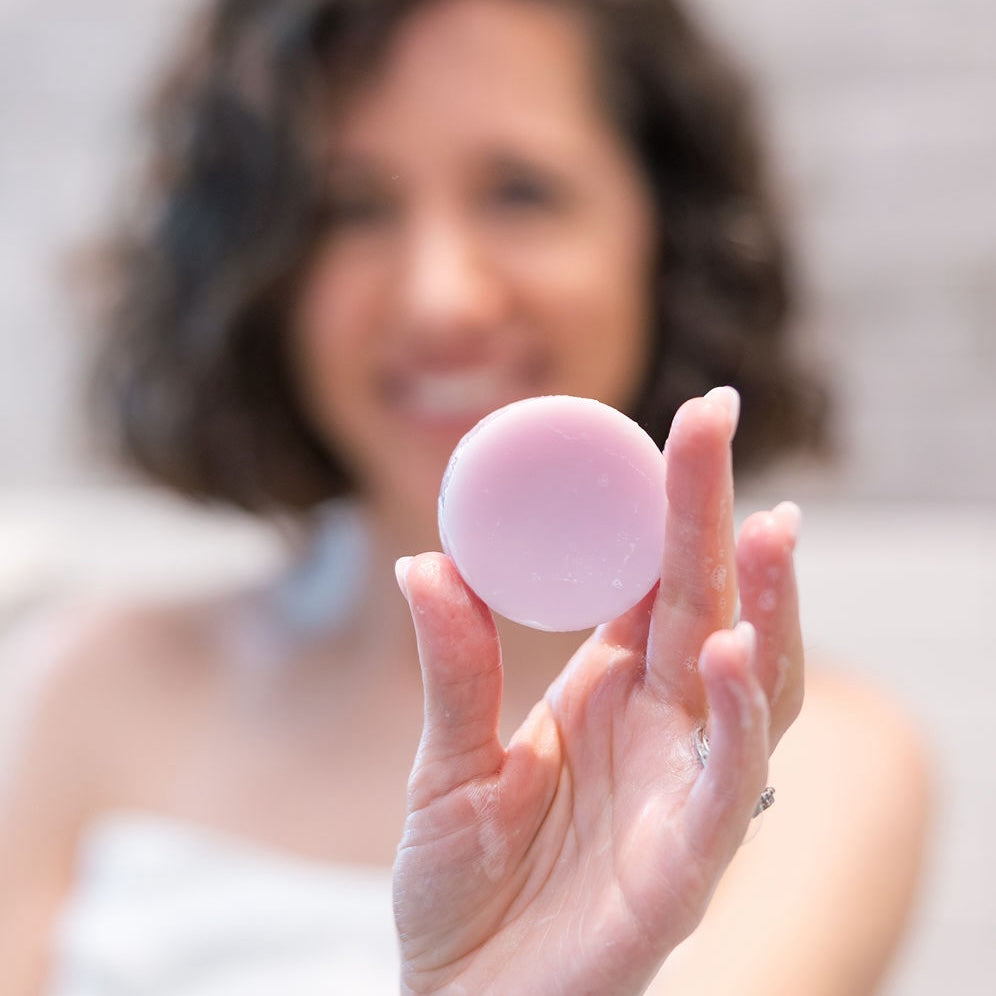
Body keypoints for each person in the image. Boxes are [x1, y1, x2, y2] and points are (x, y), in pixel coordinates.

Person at [0, 0, 930, 992]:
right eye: (350, 207)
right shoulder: (81, 679)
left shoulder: (801, 762)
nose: (441, 297)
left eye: (519, 193)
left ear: (663, 235)